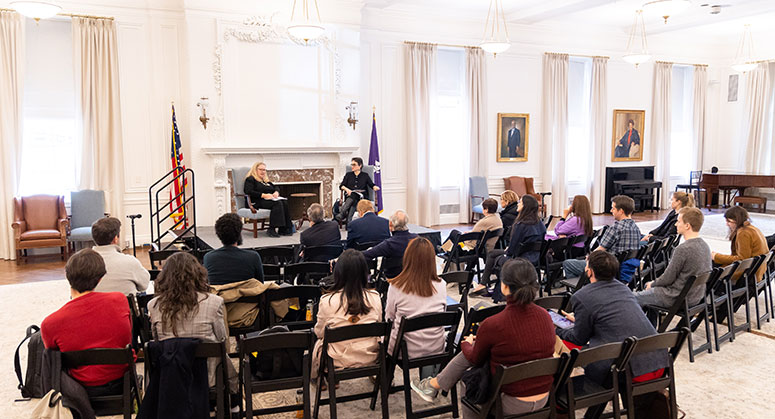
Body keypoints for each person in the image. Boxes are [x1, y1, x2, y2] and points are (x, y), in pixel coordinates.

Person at [410, 258, 556, 418]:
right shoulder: (545, 316)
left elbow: (475, 358)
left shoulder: (494, 324)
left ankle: (433, 385)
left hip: (509, 403)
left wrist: (467, 343)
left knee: (469, 377)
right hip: (544, 397)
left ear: (504, 286)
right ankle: (433, 385)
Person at [556, 251, 668, 391]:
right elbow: (615, 320)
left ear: (589, 272)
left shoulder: (582, 296)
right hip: (659, 362)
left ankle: (561, 391)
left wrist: (556, 330)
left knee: (561, 340)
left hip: (629, 369)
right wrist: (580, 320)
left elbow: (579, 339)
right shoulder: (624, 289)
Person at [148, 252, 239, 411]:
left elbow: (157, 343)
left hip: (170, 379)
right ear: (198, 274)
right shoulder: (213, 303)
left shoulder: (154, 306)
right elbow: (222, 341)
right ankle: (232, 404)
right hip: (208, 377)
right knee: (222, 358)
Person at [41, 249, 132, 396]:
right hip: (121, 381)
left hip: (77, 389)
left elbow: (53, 357)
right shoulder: (119, 300)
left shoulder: (50, 323)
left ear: (67, 276)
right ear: (100, 279)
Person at [312, 250, 382, 378]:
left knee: (316, 341)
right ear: (364, 273)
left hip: (337, 359)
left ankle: (321, 379)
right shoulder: (375, 298)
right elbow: (379, 327)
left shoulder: (327, 301)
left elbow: (319, 332)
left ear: (338, 273)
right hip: (369, 355)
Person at [385, 237, 447, 378]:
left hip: (405, 349)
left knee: (384, 338)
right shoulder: (442, 284)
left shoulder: (396, 286)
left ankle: (387, 381)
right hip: (435, 346)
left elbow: (389, 318)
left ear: (407, 258)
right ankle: (427, 381)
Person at [635, 207, 712, 310]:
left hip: (675, 297)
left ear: (687, 226)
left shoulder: (683, 249)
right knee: (648, 292)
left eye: (678, 221)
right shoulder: (705, 246)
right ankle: (650, 324)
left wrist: (652, 284)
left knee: (630, 298)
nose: (676, 224)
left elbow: (668, 278)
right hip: (695, 297)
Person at [474, 195, 545, 298]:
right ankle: (484, 284)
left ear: (525, 206)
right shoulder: (540, 223)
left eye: (520, 202)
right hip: (535, 257)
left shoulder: (520, 225)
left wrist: (507, 251)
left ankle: (488, 286)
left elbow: (512, 251)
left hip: (518, 259)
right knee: (493, 253)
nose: (517, 204)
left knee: (495, 257)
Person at [562, 195, 641, 282]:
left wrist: (588, 259)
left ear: (621, 211)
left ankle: (582, 291)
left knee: (568, 263)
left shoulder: (615, 228)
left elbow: (600, 250)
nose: (611, 211)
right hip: (624, 269)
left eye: (613, 208)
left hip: (606, 268)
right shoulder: (636, 228)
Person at [90, 217, 150, 295]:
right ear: (115, 239)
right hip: (124, 306)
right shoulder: (130, 261)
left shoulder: (81, 264)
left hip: (94, 306)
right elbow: (144, 285)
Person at [712, 205, 768, 284]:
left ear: (736, 220)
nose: (727, 224)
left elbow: (742, 259)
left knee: (712, 266)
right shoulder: (752, 229)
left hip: (747, 273)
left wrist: (716, 256)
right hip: (755, 270)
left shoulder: (744, 233)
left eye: (729, 221)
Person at [203, 213, 264, 285]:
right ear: (239, 232)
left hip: (221, 296)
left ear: (218, 234)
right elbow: (260, 285)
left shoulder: (209, 258)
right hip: (247, 296)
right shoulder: (253, 257)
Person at [362, 210, 418, 279]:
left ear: (390, 224)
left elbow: (366, 255)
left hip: (393, 281)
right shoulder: (417, 239)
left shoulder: (389, 244)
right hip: (414, 278)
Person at [243, 162, 293, 237]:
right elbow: (248, 191)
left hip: (267, 201)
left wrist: (276, 192)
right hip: (255, 202)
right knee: (277, 203)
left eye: (264, 170)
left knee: (283, 201)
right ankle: (271, 229)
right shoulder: (250, 179)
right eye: (261, 169)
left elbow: (275, 187)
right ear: (255, 170)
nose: (263, 172)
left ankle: (284, 228)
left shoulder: (265, 181)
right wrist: (264, 195)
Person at [336, 157, 380, 224]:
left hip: (362, 196)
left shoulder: (365, 175)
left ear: (360, 166)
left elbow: (371, 184)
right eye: (351, 164)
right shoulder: (348, 175)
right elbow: (341, 186)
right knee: (354, 198)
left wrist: (375, 187)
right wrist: (347, 189)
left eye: (354, 164)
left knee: (354, 196)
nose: (352, 166)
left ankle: (343, 214)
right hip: (350, 195)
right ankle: (349, 221)